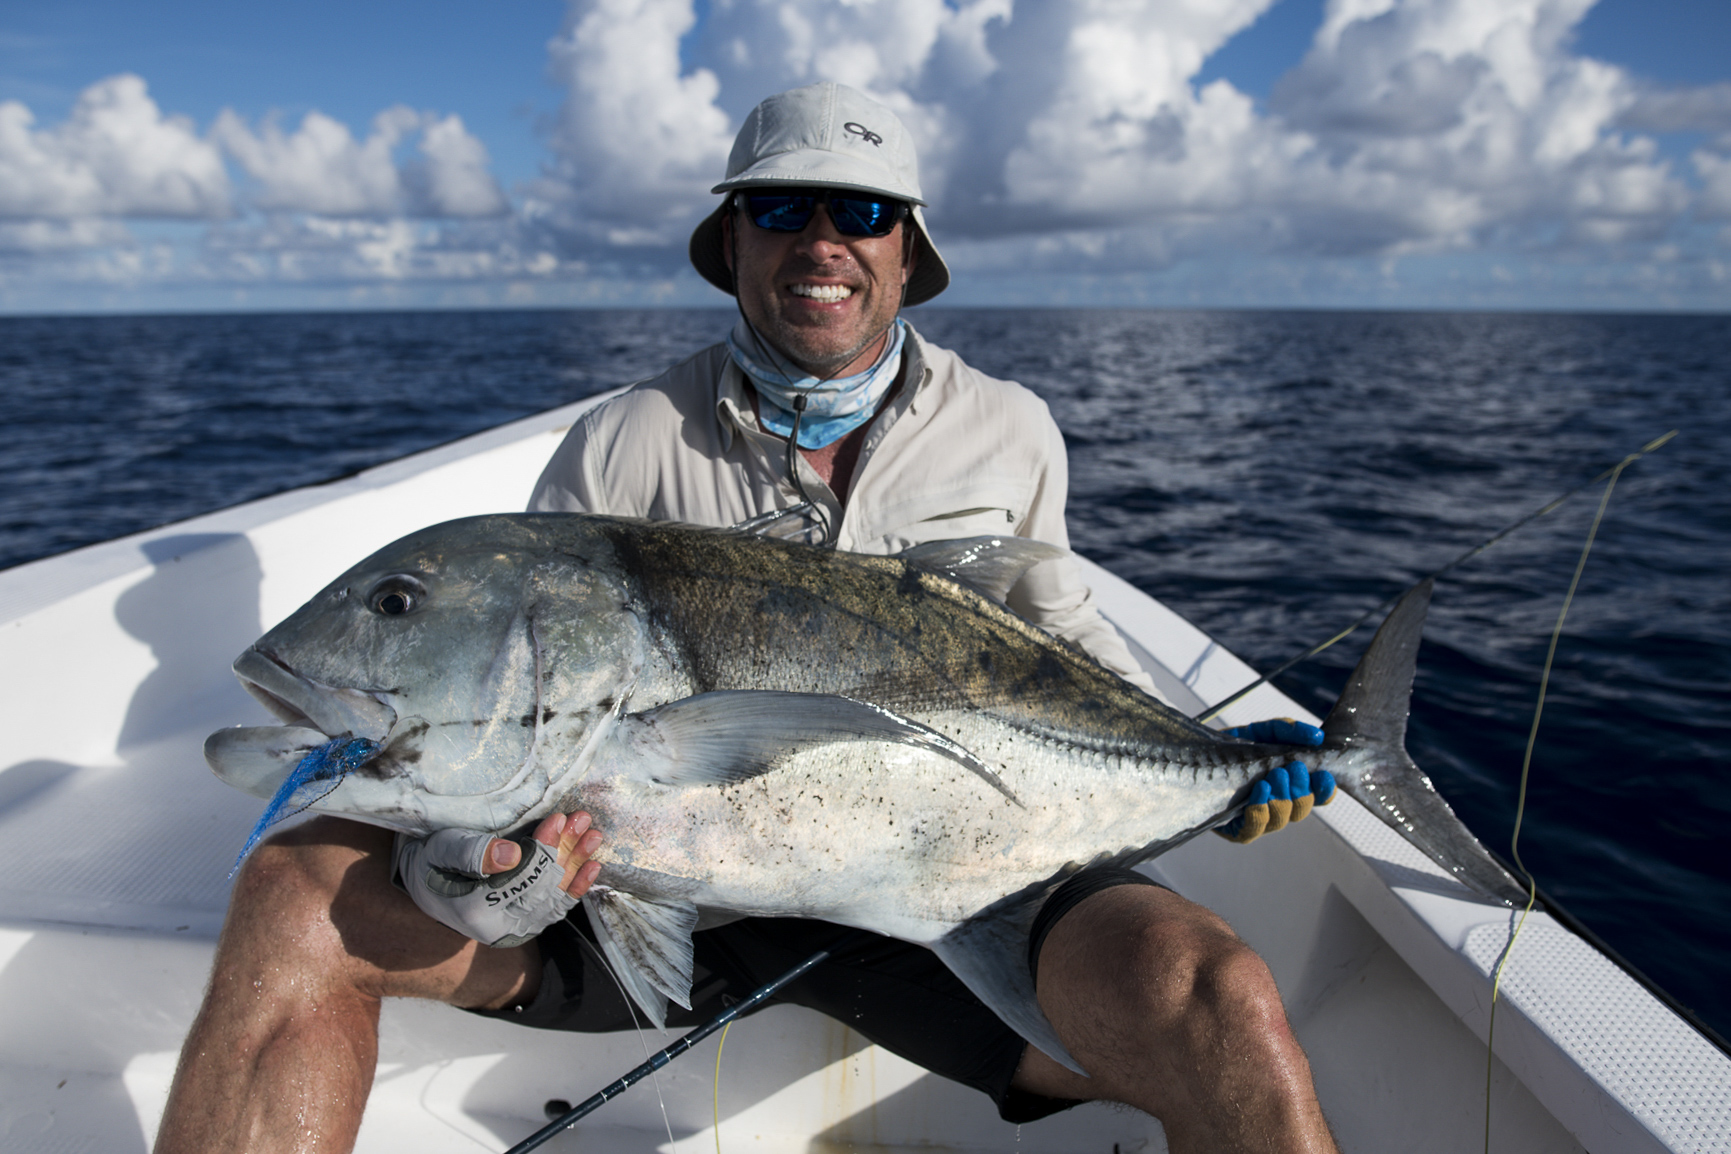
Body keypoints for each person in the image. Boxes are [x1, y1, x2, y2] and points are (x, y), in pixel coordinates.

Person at [155, 83, 1337, 1154]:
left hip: (951, 878)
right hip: (658, 893)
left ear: (906, 245)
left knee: (1219, 1002)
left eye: (862, 210)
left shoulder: (1008, 426)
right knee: (292, 892)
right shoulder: (624, 440)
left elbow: (1067, 644)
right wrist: (503, 880)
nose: (821, 241)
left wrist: (1210, 763)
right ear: (732, 240)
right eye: (780, 210)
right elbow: (507, 763)